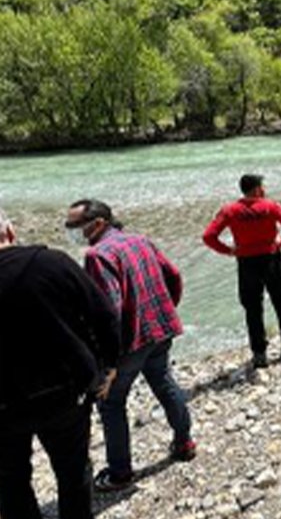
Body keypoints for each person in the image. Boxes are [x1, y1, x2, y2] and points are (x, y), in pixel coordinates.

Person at [0, 203, 120, 519]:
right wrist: (108, 366)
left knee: (9, 484)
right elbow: (104, 317)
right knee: (73, 471)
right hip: (62, 391)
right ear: (10, 231)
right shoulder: (52, 263)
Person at [66, 200, 195, 491]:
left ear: (98, 224)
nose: (72, 231)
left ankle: (120, 472)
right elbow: (173, 275)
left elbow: (108, 309)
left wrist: (105, 356)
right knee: (164, 382)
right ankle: (184, 442)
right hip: (159, 328)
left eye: (75, 225)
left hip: (130, 340)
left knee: (111, 403)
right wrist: (166, 310)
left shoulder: (98, 255)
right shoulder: (139, 240)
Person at [202, 174, 281, 368]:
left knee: (253, 309)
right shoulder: (270, 206)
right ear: (257, 189)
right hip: (271, 259)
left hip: (246, 262)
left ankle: (259, 353)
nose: (264, 190)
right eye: (262, 186)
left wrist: (229, 250)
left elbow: (208, 236)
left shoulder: (230, 210)